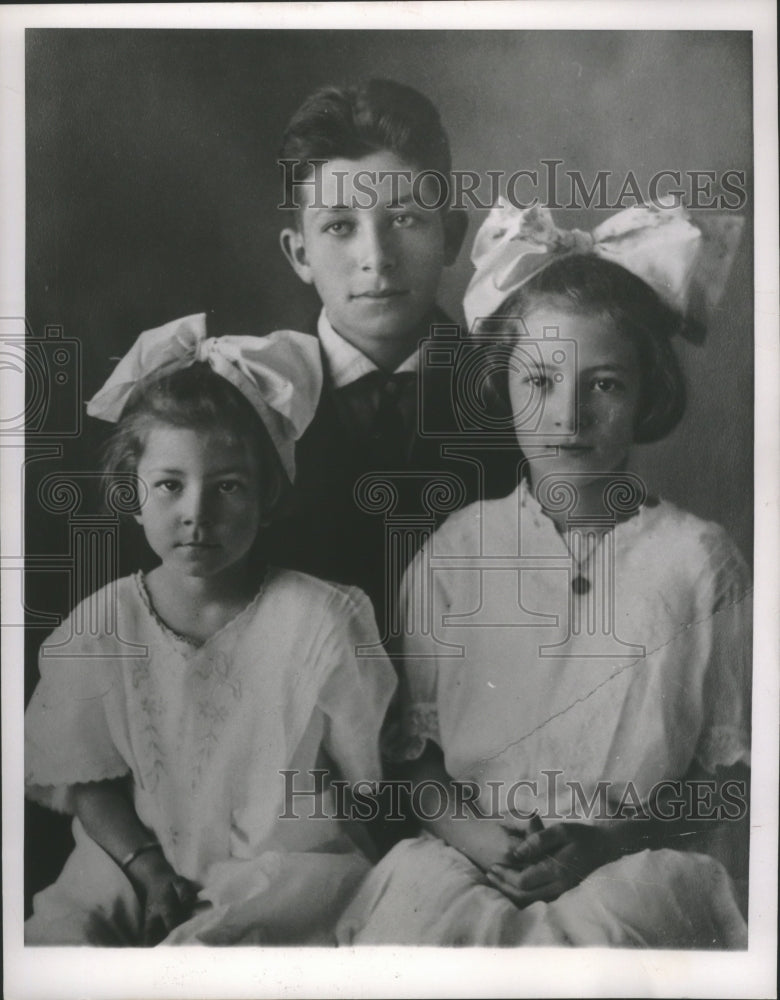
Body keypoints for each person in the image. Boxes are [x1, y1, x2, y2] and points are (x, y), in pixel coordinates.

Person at [336, 203, 751, 947]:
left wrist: (607, 843)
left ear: (648, 392)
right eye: (541, 380)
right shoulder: (457, 552)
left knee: (611, 935)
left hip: (632, 859)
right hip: (474, 854)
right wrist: (485, 842)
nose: (568, 415)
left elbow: (726, 774)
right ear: (503, 383)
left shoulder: (698, 560)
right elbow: (415, 759)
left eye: (605, 385)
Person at [24, 314, 397, 946]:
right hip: (133, 862)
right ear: (131, 489)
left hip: (280, 871)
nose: (197, 514)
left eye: (228, 487)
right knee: (63, 942)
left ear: (268, 495)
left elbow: (366, 778)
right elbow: (89, 779)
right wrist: (145, 867)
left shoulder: (322, 621)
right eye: (170, 486)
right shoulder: (99, 629)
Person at [268, 78, 519, 638]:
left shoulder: (516, 394)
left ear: (451, 236)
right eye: (339, 227)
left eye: (405, 219)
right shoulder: (247, 396)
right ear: (300, 253)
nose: (376, 259)